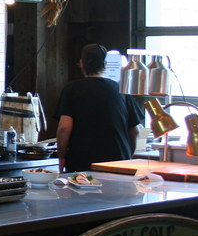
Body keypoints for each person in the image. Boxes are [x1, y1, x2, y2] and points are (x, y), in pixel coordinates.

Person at [56, 43, 143, 173]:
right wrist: (126, 158)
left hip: (82, 163)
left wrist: (61, 157)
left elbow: (64, 128)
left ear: (81, 63)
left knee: (82, 192)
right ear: (106, 64)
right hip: (117, 164)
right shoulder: (122, 90)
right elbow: (135, 131)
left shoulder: (72, 89)